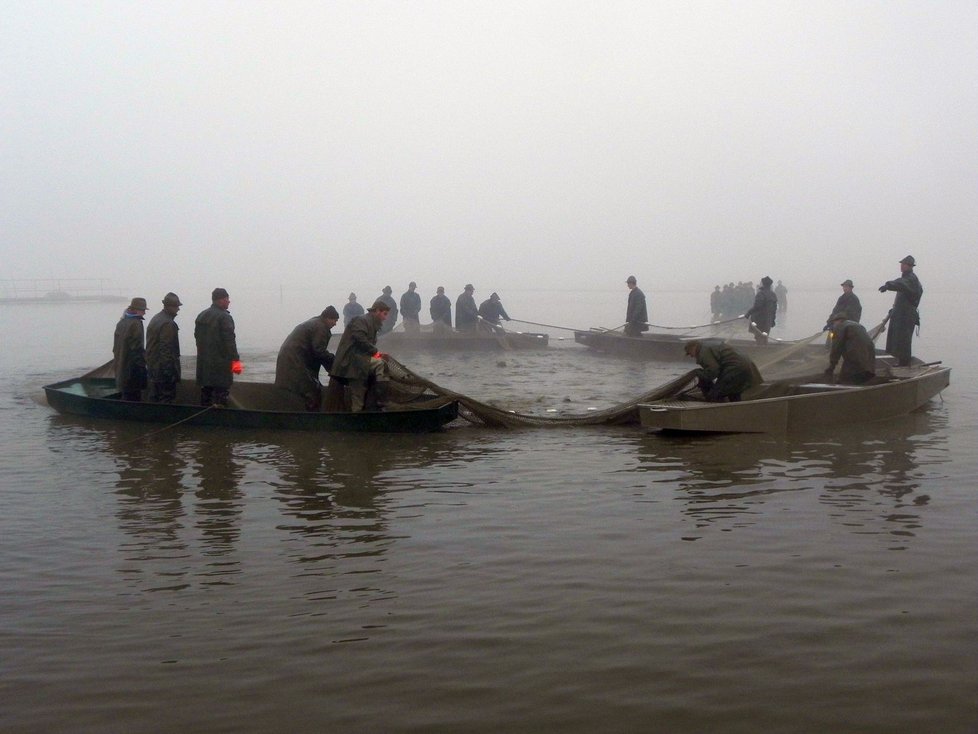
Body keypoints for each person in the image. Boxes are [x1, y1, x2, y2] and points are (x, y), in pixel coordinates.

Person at [328, 300, 391, 412]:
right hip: (351, 362)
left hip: (360, 363)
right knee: (381, 364)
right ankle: (381, 400)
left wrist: (377, 354)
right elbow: (360, 340)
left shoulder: (372, 324)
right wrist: (377, 353)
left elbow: (366, 347)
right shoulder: (361, 320)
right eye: (384, 314)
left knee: (359, 393)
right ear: (377, 311)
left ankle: (363, 414)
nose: (385, 318)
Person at [274, 306, 340, 411]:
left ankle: (306, 412)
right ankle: (312, 417)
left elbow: (316, 354)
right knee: (311, 389)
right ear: (328, 318)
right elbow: (319, 351)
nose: (335, 324)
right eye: (334, 320)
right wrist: (334, 364)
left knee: (307, 385)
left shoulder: (315, 323)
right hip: (294, 359)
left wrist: (331, 368)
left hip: (291, 357)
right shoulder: (321, 327)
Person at [194, 287, 241, 407]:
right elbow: (230, 342)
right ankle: (219, 423)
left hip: (204, 366)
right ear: (220, 300)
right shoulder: (224, 317)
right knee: (220, 399)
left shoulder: (201, 316)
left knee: (206, 396)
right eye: (227, 299)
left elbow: (197, 338)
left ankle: (204, 421)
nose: (229, 302)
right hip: (221, 368)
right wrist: (236, 362)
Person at [683, 340, 762, 402]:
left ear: (693, 347)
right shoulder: (707, 345)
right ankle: (736, 410)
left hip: (734, 367)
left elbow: (713, 371)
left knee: (716, 394)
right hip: (746, 365)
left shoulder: (703, 352)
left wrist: (699, 374)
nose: (691, 356)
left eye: (689, 353)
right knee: (734, 391)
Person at [879, 255, 923, 366]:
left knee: (904, 340)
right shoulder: (907, 279)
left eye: (904, 264)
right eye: (901, 264)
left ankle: (904, 364)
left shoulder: (911, 279)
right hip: (900, 314)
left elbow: (901, 283)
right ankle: (900, 362)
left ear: (910, 266)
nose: (901, 266)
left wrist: (888, 285)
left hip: (906, 316)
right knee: (897, 340)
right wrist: (893, 310)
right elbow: (902, 294)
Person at [146, 292, 182, 403]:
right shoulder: (168, 324)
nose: (178, 310)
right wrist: (169, 371)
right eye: (176, 307)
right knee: (166, 398)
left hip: (153, 367)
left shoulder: (156, 319)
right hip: (163, 371)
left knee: (154, 397)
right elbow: (166, 349)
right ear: (170, 307)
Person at [825, 312, 876, 385]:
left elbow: (836, 347)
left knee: (843, 381)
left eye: (833, 323)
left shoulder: (839, 327)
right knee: (859, 380)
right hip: (870, 363)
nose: (832, 326)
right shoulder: (858, 325)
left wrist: (831, 366)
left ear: (837, 321)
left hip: (855, 360)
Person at [113, 297, 148, 401]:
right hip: (132, 370)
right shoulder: (136, 324)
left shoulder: (121, 322)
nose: (144, 313)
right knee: (134, 398)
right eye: (143, 310)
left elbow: (115, 347)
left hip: (121, 368)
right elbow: (137, 349)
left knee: (126, 396)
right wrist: (143, 367)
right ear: (137, 310)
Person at [744, 275, 778, 344]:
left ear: (763, 284)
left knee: (759, 336)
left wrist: (748, 313)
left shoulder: (761, 294)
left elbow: (757, 306)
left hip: (759, 319)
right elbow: (774, 309)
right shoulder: (773, 294)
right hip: (768, 319)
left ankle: (760, 350)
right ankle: (765, 349)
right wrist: (773, 320)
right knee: (765, 336)